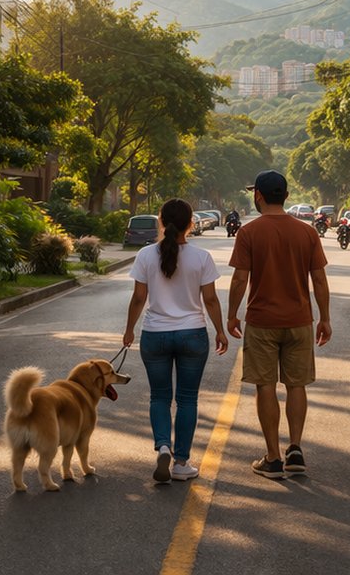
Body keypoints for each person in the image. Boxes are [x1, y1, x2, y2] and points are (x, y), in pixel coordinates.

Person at [227, 170, 331, 480]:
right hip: (299, 320)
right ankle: (295, 448)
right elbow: (320, 279)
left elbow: (240, 278)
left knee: (266, 385)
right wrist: (324, 317)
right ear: (285, 196)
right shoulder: (307, 233)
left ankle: (273, 457)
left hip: (262, 322)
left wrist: (232, 314)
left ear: (257, 195)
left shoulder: (249, 232)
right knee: (296, 384)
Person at [123, 199, 229, 484]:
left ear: (161, 221)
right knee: (186, 399)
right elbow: (210, 299)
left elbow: (138, 298)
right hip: (192, 334)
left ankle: (163, 447)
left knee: (159, 396)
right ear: (190, 223)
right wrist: (220, 330)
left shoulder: (145, 255)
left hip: (155, 334)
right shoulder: (202, 257)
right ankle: (181, 463)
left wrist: (129, 329)